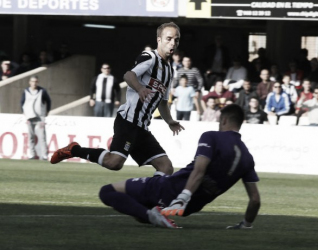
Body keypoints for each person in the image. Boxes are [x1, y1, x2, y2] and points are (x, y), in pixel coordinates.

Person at [50, 22, 184, 176]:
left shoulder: (169, 71)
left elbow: (162, 102)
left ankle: (152, 198)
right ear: (159, 39)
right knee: (114, 163)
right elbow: (129, 75)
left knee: (166, 168)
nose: (173, 43)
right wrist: (140, 88)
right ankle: (74, 150)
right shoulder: (149, 57)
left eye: (177, 40)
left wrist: (170, 121)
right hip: (128, 121)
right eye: (169, 38)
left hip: (141, 128)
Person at [98, 104, 261, 229]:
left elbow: (199, 170)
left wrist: (182, 197)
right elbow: (255, 200)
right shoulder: (248, 159)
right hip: (190, 208)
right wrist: (246, 224)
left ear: (224, 120)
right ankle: (153, 214)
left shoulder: (212, 137)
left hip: (169, 189)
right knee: (140, 211)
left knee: (106, 192)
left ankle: (153, 216)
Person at [20, 76, 51, 160]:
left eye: (35, 81)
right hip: (29, 117)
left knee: (42, 136)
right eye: (32, 81)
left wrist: (47, 111)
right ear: (30, 82)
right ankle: (32, 154)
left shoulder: (42, 91)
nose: (34, 83)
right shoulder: (26, 91)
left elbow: (48, 101)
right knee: (31, 136)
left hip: (40, 117)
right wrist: (24, 112)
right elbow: (22, 102)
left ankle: (44, 155)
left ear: (38, 82)